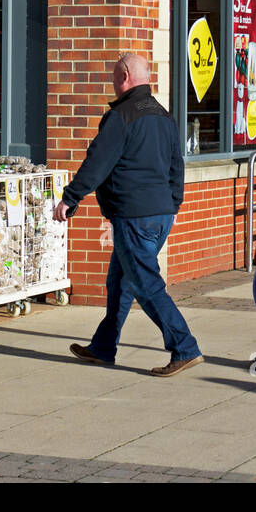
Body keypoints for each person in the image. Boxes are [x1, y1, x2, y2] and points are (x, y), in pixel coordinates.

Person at [56, 52, 203, 377]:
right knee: (120, 282)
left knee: (146, 285)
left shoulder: (121, 116)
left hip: (134, 217)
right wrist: (173, 205)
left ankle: (185, 347)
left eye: (113, 76)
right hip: (159, 213)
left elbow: (97, 161)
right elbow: (176, 166)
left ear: (124, 76)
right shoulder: (164, 117)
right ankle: (103, 347)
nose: (112, 82)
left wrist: (70, 198)